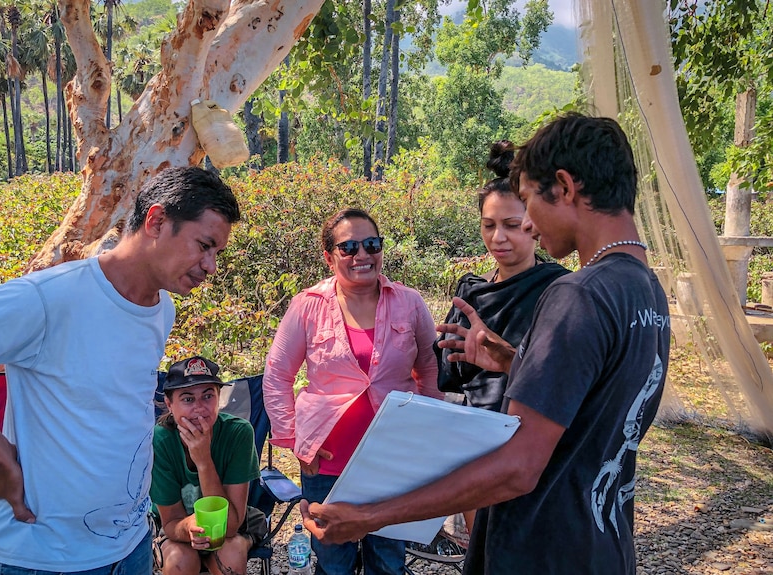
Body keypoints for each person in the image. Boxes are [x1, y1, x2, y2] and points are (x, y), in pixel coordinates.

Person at [300, 113, 671, 575]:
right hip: (604, 544)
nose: (530, 224)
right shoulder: (645, 291)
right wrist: (516, 363)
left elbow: (518, 467)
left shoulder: (576, 294)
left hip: (543, 551)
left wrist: (370, 517)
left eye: (530, 202)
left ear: (565, 187)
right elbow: (594, 405)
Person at [0, 166, 241, 574]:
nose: (210, 266)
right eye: (203, 245)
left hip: (129, 545)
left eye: (217, 253)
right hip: (39, 556)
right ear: (156, 221)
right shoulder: (50, 298)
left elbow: (103, 405)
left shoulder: (161, 308)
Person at [263, 208, 441, 575]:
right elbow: (278, 373)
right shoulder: (307, 306)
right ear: (330, 257)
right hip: (327, 460)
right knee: (333, 561)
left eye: (371, 244)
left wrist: (424, 438)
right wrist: (295, 439)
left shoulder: (409, 302)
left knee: (388, 559)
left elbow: (430, 369)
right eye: (348, 247)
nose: (362, 255)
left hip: (391, 459)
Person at [436, 140, 569, 411]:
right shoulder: (472, 289)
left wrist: (508, 357)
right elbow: (450, 375)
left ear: (534, 222)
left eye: (511, 225)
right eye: (488, 225)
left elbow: (565, 377)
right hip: (472, 426)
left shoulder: (560, 290)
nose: (498, 238)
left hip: (529, 427)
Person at [151, 355, 266, 575]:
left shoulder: (238, 433)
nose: (200, 408)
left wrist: (203, 461)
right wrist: (188, 528)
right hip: (178, 528)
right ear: (169, 404)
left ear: (219, 398)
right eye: (187, 399)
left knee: (230, 555)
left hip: (233, 527)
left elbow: (230, 525)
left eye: (208, 396)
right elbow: (171, 523)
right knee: (179, 561)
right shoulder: (160, 442)